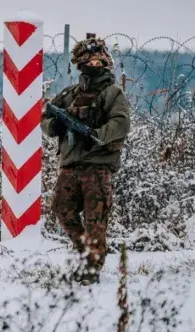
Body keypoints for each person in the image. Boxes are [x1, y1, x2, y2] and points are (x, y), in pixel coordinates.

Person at [40, 33, 131, 285]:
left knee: (95, 219)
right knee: (62, 209)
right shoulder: (69, 95)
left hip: (98, 166)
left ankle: (91, 268)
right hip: (70, 165)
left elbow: (121, 123)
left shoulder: (112, 93)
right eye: (89, 62)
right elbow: (45, 119)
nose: (94, 66)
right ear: (80, 64)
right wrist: (55, 126)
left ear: (106, 63)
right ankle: (84, 253)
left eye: (98, 62)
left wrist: (96, 135)